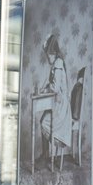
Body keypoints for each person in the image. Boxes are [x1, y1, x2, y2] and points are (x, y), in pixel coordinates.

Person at [39, 34, 71, 165]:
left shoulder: (58, 63)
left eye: (49, 55)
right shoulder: (57, 64)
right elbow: (54, 83)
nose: (48, 58)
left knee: (43, 122)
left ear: (53, 53)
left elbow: (56, 88)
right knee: (43, 120)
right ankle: (46, 155)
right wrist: (46, 86)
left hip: (61, 106)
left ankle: (46, 155)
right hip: (58, 103)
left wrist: (46, 89)